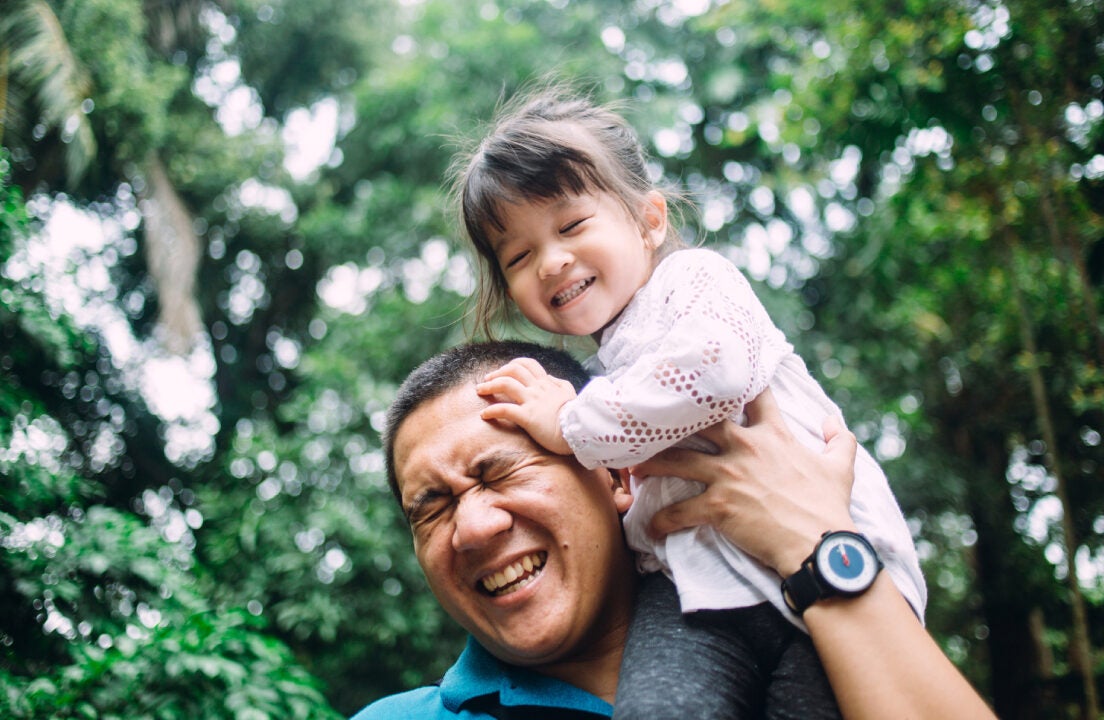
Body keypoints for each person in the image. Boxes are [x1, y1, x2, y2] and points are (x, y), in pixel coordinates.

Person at [453, 88, 926, 719]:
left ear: (650, 220)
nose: (551, 261)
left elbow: (716, 371)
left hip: (822, 568)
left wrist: (569, 423)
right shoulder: (603, 376)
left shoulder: (694, 281)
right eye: (519, 255)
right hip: (691, 586)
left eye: (571, 226)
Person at [350, 340, 994, 719]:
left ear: (617, 475)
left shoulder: (815, 655)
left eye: (500, 472)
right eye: (431, 508)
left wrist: (817, 548)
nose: (471, 529)